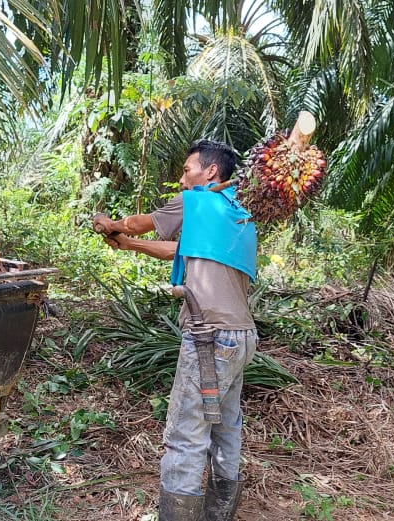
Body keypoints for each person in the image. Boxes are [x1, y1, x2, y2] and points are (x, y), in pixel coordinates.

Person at [93, 139, 257, 521]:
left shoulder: (197, 200)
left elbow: (139, 222)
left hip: (209, 337)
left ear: (210, 172)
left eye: (187, 170)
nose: (182, 179)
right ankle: (217, 515)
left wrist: (111, 225)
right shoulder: (237, 213)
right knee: (226, 429)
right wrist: (130, 245)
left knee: (186, 436)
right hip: (241, 336)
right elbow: (176, 250)